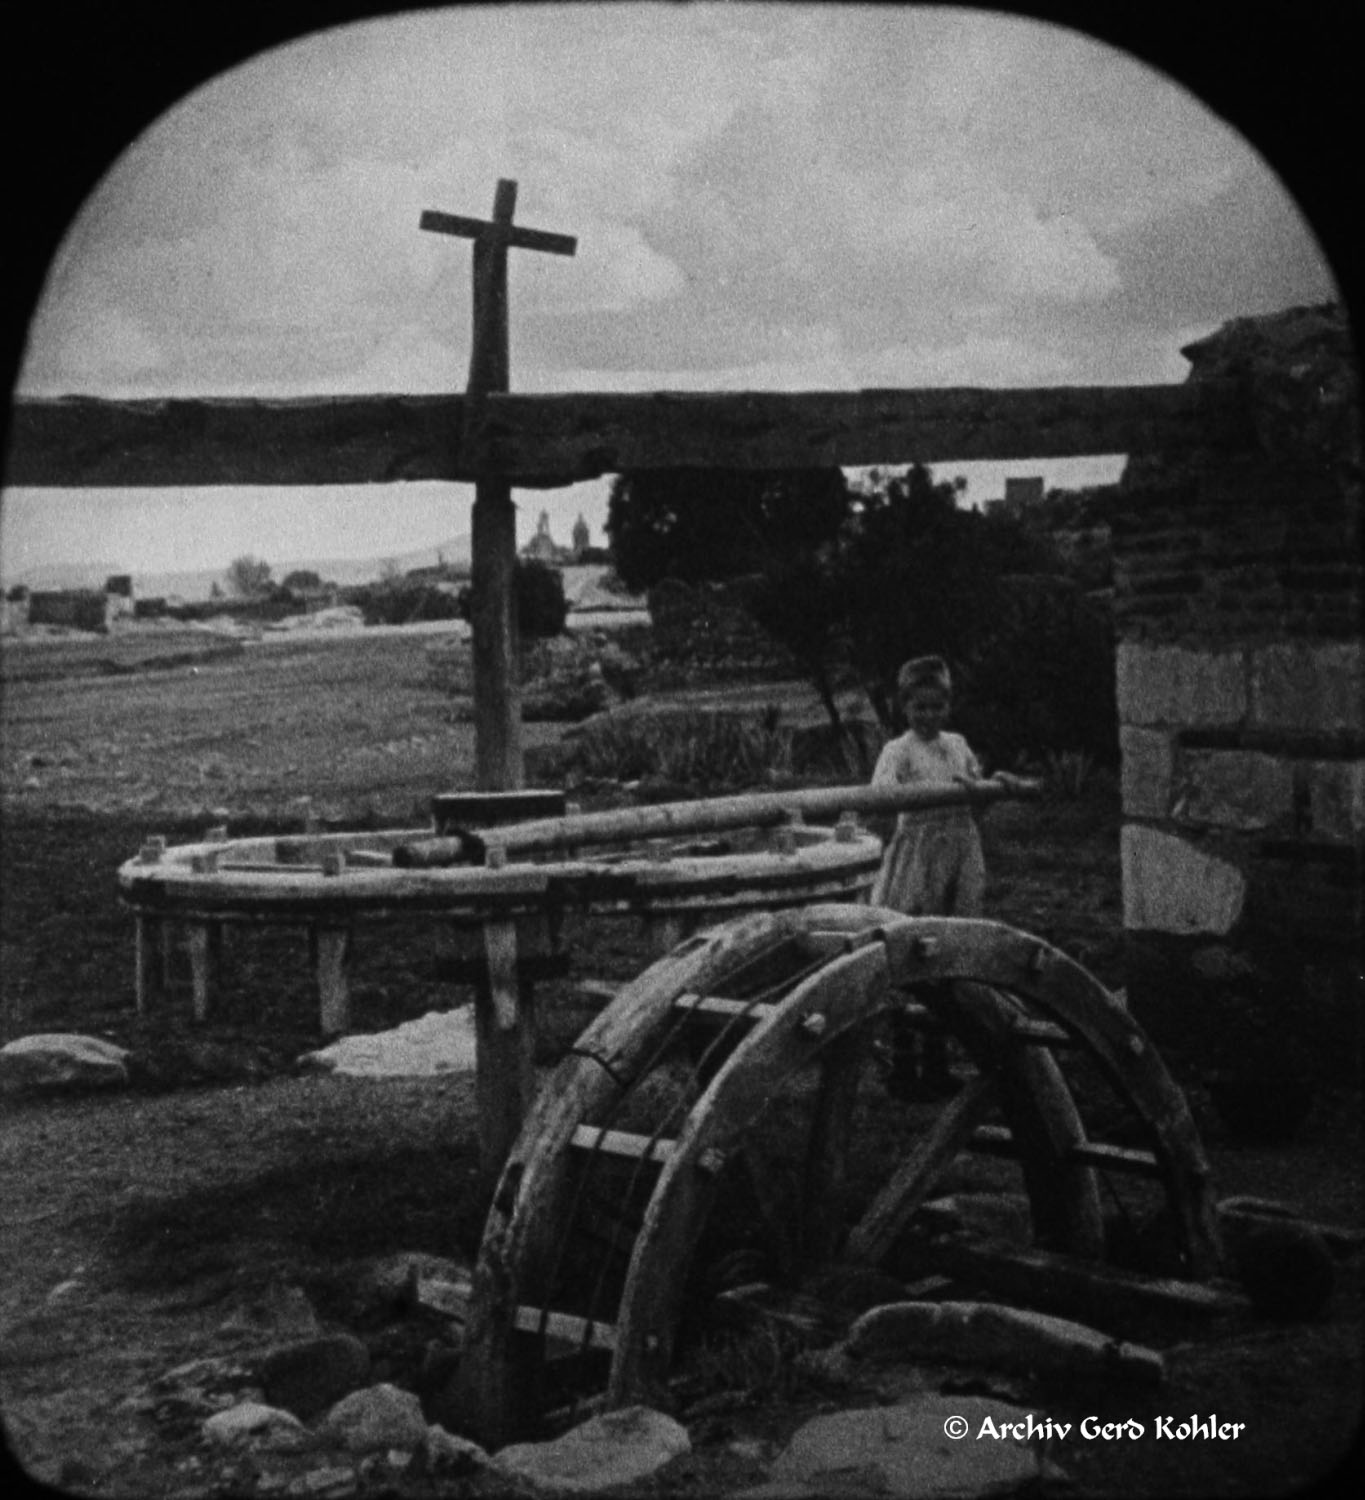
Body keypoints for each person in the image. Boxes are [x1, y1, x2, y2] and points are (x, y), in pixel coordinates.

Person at [869, 654, 1031, 1098]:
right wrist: (925, 794)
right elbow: (882, 798)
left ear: (947, 706)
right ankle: (903, 1064)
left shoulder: (957, 746)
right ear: (905, 708)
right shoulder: (898, 751)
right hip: (919, 855)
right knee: (909, 952)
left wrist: (986, 790)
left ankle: (937, 1060)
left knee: (949, 954)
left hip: (958, 851)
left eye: (936, 707)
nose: (928, 716)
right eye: (919, 707)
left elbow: (977, 802)